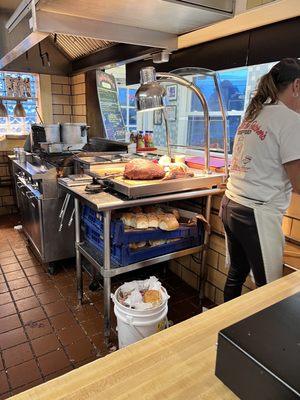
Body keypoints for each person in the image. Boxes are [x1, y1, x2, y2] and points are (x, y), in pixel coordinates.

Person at [222, 58, 300, 302]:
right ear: (297, 86)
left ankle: (223, 330)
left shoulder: (254, 113)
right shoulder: (290, 119)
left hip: (230, 204)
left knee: (236, 273)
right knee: (270, 291)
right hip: (255, 214)